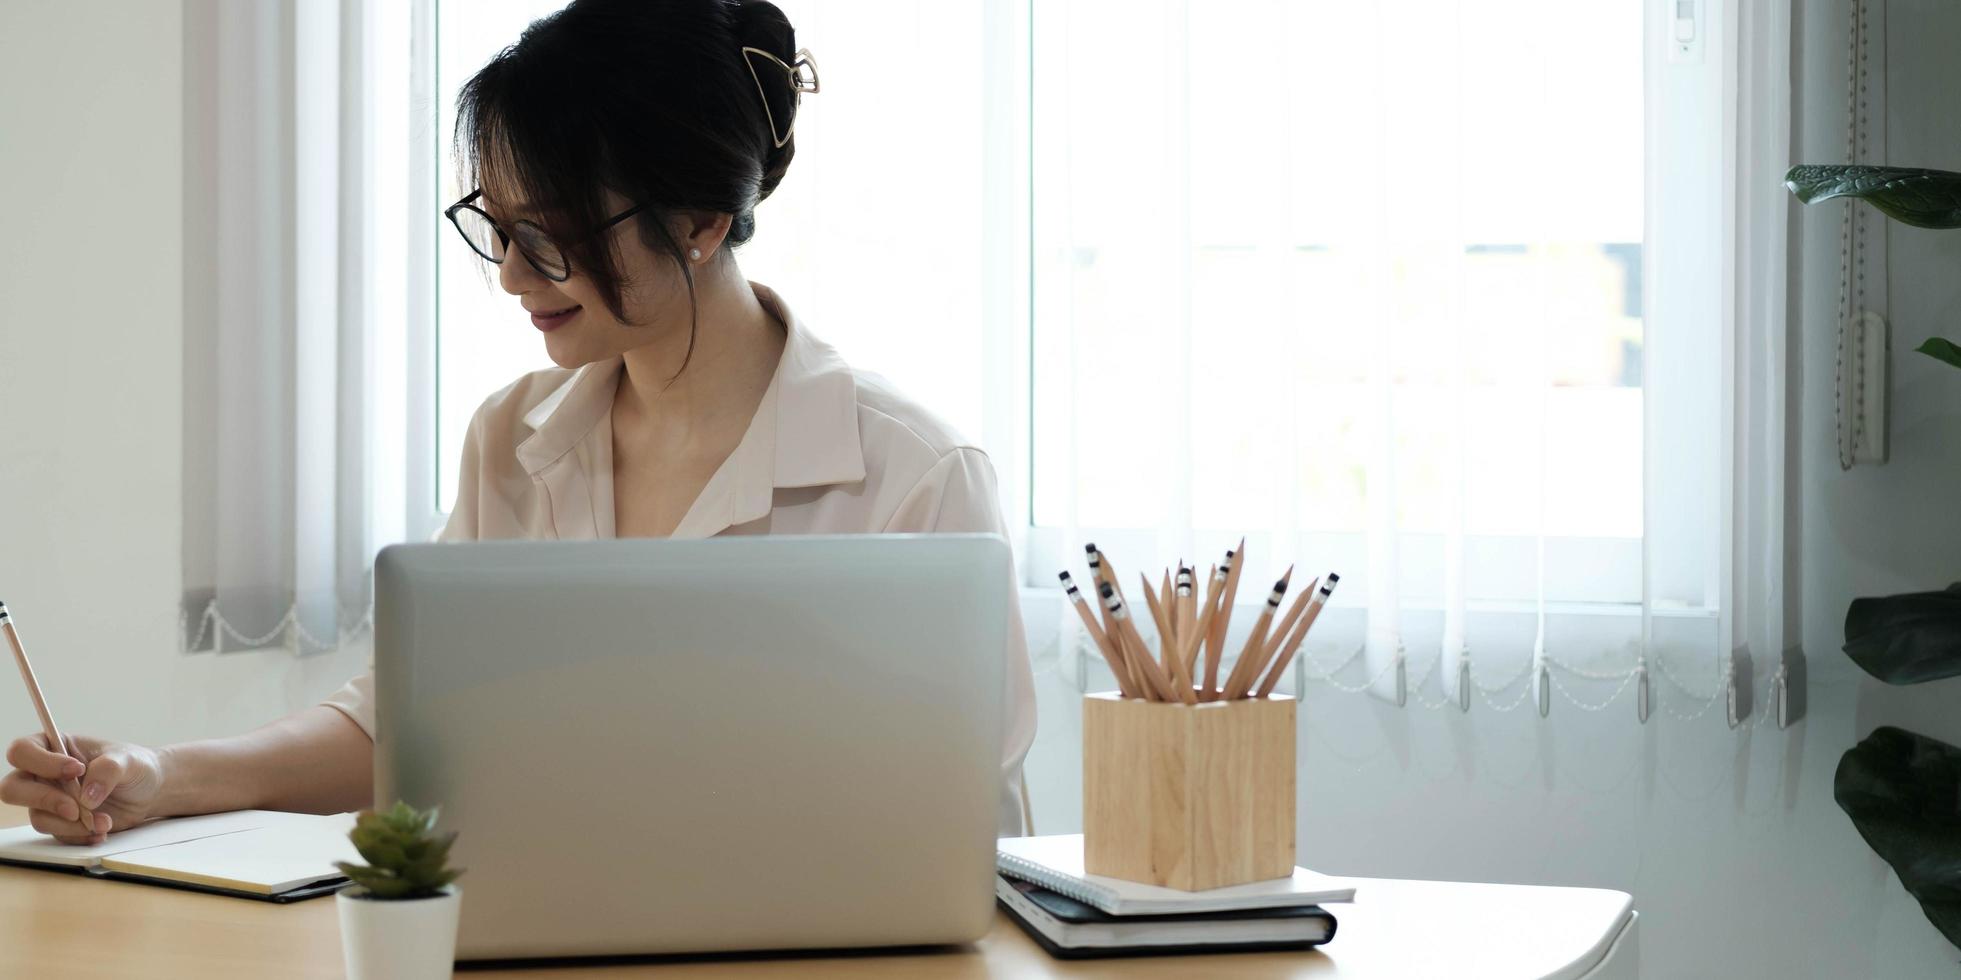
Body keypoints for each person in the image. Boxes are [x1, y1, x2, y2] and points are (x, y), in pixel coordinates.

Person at [1, 0, 1036, 842]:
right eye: (496, 229)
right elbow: (407, 723)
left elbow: (968, 830)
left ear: (703, 219)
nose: (508, 275)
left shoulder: (915, 474)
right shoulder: (511, 437)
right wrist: (157, 774)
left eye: (548, 237)